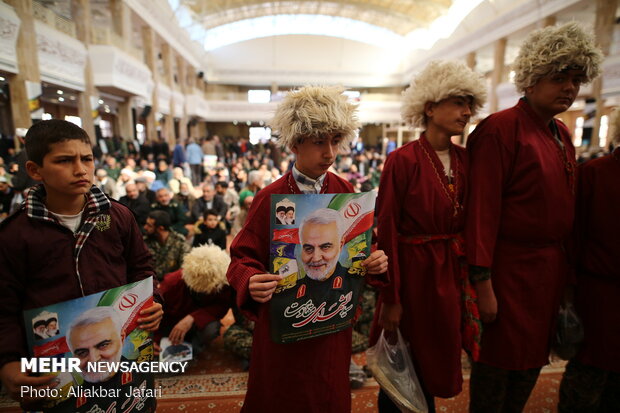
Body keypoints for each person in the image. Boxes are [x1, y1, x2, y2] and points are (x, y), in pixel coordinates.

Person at [465, 23, 602, 412]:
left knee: (530, 366)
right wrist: (483, 282)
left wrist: (569, 279)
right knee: (496, 369)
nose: (570, 88)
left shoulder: (561, 131)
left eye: (576, 79)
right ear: (530, 78)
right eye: (559, 78)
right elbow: (481, 213)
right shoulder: (500, 129)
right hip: (507, 270)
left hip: (548, 272)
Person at [227, 85, 388, 412]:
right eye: (319, 142)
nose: (329, 153)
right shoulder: (270, 197)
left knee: (328, 392)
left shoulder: (345, 191)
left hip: (331, 324)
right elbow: (240, 258)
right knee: (282, 396)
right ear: (294, 143)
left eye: (335, 141)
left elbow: (358, 253)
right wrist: (251, 279)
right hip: (285, 325)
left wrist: (374, 262)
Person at [0, 119, 162, 409]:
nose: (81, 169)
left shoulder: (117, 216)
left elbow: (142, 267)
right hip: (51, 365)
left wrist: (154, 300)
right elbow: (4, 305)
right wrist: (8, 362)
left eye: (86, 159)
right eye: (64, 160)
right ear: (35, 170)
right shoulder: (16, 234)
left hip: (118, 358)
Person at [370, 60, 486, 411]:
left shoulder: (468, 159)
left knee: (436, 357)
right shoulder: (402, 161)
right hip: (413, 273)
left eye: (469, 104)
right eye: (457, 102)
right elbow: (387, 229)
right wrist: (391, 296)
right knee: (403, 359)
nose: (466, 111)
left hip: (450, 273)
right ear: (430, 107)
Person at [557, 109, 620, 412]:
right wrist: (569, 288)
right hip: (599, 294)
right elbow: (573, 235)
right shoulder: (595, 172)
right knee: (588, 376)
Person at [157, 245, 234, 354]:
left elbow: (221, 307)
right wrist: (153, 340)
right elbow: (153, 313)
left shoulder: (223, 282)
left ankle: (192, 349)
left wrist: (193, 318)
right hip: (170, 325)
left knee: (211, 329)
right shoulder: (172, 283)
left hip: (198, 324)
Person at [144, 210, 190, 281]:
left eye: (149, 225)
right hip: (150, 283)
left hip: (172, 284)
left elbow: (185, 268)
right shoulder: (145, 241)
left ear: (161, 228)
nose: (145, 227)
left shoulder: (180, 242)